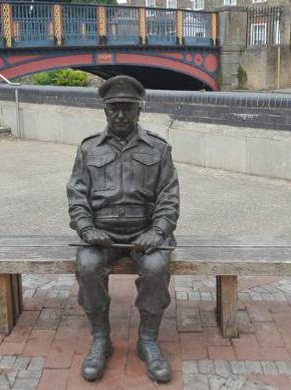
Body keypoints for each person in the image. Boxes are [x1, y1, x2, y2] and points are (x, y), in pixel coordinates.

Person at [66, 75, 180, 383]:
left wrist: (158, 231)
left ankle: (148, 341)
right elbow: (77, 195)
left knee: (156, 268)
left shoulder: (158, 148)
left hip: (145, 232)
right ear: (104, 109)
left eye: (127, 108)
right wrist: (87, 229)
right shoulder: (89, 148)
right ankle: (101, 339)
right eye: (113, 108)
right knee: (87, 266)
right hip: (101, 233)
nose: (120, 114)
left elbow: (169, 198)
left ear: (139, 109)